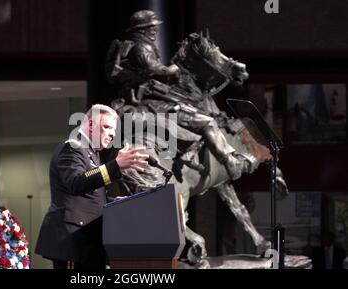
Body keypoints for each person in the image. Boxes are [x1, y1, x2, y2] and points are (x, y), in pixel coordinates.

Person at [107, 10, 248, 179]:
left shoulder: (136, 45)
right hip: (152, 102)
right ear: (142, 29)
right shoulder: (141, 47)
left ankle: (191, 152)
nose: (155, 30)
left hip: (152, 97)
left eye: (154, 27)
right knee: (207, 122)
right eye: (151, 27)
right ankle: (228, 161)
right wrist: (170, 69)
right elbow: (153, 69)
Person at [35, 104, 148, 269]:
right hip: (72, 242)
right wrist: (115, 165)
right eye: (107, 127)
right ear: (90, 125)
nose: (112, 134)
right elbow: (76, 183)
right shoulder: (72, 147)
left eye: (114, 130)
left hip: (86, 242)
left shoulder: (90, 152)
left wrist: (112, 203)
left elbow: (89, 196)